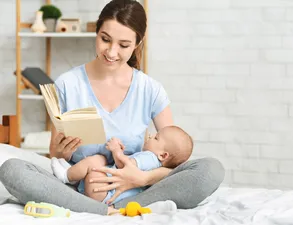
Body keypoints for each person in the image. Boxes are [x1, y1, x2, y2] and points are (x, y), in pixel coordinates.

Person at [0, 0, 225, 216]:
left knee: (210, 169)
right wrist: (62, 151)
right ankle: (104, 211)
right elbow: (56, 155)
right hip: (79, 186)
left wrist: (140, 178)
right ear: (96, 33)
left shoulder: (150, 89)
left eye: (123, 45)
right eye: (105, 39)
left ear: (137, 43)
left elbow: (173, 162)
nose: (111, 52)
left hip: (135, 190)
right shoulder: (67, 84)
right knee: (12, 170)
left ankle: (122, 207)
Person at [51, 126, 193, 206]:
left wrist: (116, 150)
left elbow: (125, 165)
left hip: (105, 192)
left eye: (156, 138)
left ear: (163, 155)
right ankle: (73, 173)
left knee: (95, 162)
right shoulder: (153, 162)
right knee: (98, 161)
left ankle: (66, 176)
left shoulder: (149, 157)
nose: (151, 137)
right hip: (104, 193)